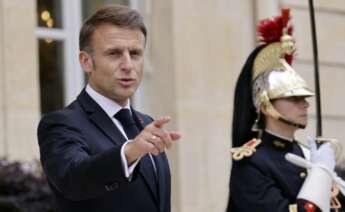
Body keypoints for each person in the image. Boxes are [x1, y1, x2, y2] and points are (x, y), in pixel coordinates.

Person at [37, 4, 181, 212]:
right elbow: (73, 179)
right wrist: (129, 151)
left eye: (135, 53)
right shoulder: (61, 123)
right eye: (114, 53)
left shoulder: (147, 123)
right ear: (86, 62)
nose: (127, 65)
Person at [227, 9, 343, 212]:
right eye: (293, 98)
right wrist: (320, 173)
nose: (305, 104)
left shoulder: (308, 154)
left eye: (304, 97)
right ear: (265, 106)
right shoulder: (251, 164)